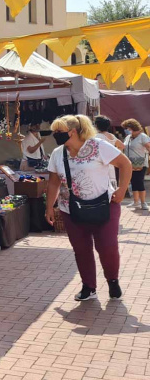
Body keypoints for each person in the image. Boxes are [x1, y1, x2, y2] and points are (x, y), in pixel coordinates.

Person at [45, 115, 130, 301]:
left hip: (104, 205)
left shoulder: (98, 146)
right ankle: (88, 286)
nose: (54, 135)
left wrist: (122, 190)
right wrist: (49, 206)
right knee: (81, 249)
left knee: (107, 246)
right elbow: (53, 182)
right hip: (71, 209)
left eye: (58, 132)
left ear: (72, 132)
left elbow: (125, 164)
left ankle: (112, 281)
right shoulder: (58, 153)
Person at [121, 119, 150, 210]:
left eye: (127, 128)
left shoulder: (143, 136)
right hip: (130, 164)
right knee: (133, 182)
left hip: (141, 163)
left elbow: (149, 147)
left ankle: (143, 202)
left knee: (139, 182)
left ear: (132, 127)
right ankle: (136, 201)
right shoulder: (128, 137)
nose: (126, 130)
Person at [93, 115, 123, 189]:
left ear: (96, 125)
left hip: (100, 163)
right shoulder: (111, 135)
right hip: (110, 163)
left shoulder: (97, 137)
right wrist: (113, 155)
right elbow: (121, 146)